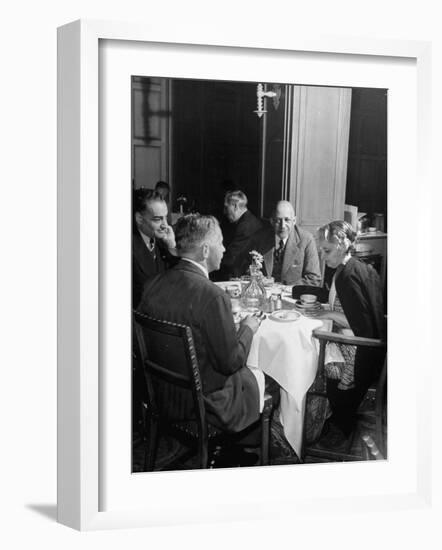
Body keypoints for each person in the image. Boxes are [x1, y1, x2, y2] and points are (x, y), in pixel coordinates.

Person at [138, 213, 267, 435]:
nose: (225, 249)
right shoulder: (213, 296)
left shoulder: (152, 284)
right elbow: (231, 363)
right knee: (264, 375)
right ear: (205, 251)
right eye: (221, 243)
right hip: (202, 405)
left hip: (161, 394)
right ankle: (257, 444)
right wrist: (248, 328)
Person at [314, 220, 386, 444]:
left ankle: (336, 421)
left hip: (363, 355)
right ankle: (331, 417)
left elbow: (360, 327)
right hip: (376, 348)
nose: (323, 257)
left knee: (310, 355)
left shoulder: (347, 277)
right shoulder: (358, 267)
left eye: (326, 250)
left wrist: (328, 315)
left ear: (342, 245)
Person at [132, 188, 177, 308]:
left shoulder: (162, 240)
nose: (165, 225)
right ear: (139, 219)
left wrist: (171, 246)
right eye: (158, 219)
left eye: (166, 217)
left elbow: (179, 279)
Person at [262, 200, 321, 286]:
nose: (282, 226)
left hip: (291, 296)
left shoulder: (307, 240)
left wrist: (283, 288)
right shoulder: (260, 238)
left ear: (294, 221)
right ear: (271, 221)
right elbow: (247, 269)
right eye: (278, 220)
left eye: (287, 220)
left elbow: (313, 279)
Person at [213, 190, 266, 280]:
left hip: (239, 275)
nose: (224, 212)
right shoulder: (244, 221)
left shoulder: (246, 226)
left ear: (235, 206)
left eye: (226, 208)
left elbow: (230, 259)